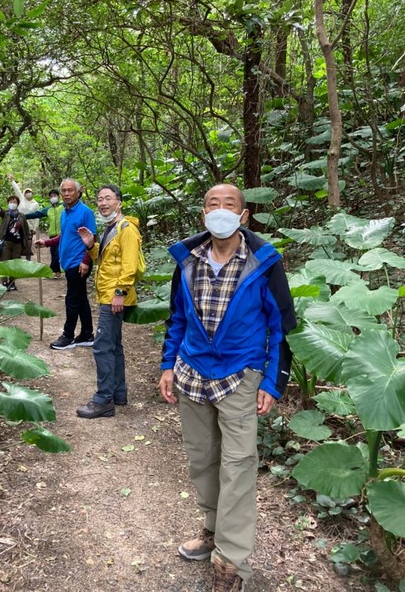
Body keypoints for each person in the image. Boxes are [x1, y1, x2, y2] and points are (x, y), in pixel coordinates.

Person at [159, 183, 295, 592]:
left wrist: (273, 380)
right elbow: (177, 319)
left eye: (229, 204)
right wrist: (168, 364)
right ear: (203, 214)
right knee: (202, 459)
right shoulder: (188, 260)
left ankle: (232, 562)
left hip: (241, 375)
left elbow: (280, 326)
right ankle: (212, 528)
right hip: (192, 372)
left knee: (238, 466)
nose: (220, 210)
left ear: (243, 215)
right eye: (212, 204)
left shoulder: (264, 262)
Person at [75, 184, 141, 419]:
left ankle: (103, 400)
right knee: (114, 345)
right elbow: (105, 262)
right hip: (107, 294)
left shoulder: (127, 229)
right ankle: (119, 393)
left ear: (119, 202)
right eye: (100, 199)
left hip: (114, 295)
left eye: (108, 198)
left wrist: (119, 294)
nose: (103, 203)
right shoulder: (110, 228)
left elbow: (129, 266)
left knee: (102, 346)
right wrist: (91, 246)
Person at [36, 178, 97, 350]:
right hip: (68, 262)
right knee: (80, 298)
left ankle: (68, 336)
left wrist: (86, 261)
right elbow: (66, 235)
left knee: (72, 300)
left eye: (70, 190)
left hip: (79, 263)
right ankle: (86, 334)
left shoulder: (85, 212)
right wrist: (46, 243)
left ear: (79, 192)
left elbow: (92, 238)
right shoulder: (65, 211)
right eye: (64, 190)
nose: (66, 193)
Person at [0, 194, 32, 291]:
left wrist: (27, 241)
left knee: (15, 263)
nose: (12, 204)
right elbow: (0, 212)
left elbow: (25, 229)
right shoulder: (6, 214)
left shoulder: (21, 216)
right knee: (5, 262)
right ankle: (4, 281)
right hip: (6, 243)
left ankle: (12, 282)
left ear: (18, 204)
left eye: (14, 202)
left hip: (18, 244)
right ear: (8, 203)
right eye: (11, 202)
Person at [24, 188, 63, 277]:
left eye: (55, 196)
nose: (53, 197)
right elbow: (37, 214)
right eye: (51, 196)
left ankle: (51, 271)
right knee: (53, 253)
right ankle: (57, 272)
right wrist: (23, 216)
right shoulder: (48, 209)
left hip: (62, 234)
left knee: (57, 253)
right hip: (52, 234)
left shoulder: (64, 206)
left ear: (59, 196)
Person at [7, 174, 40, 239]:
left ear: (32, 193)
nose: (28, 193)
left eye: (29, 192)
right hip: (19, 225)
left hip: (30, 227)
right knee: (19, 242)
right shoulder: (22, 199)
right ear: (24, 193)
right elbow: (17, 189)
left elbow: (37, 217)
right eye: (26, 192)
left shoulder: (35, 204)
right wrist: (12, 180)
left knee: (28, 243)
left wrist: (35, 228)